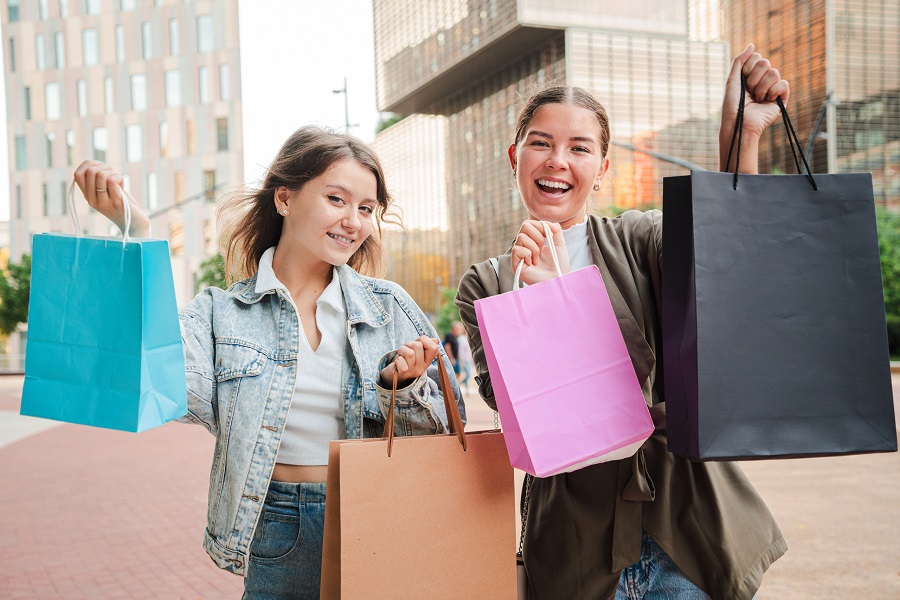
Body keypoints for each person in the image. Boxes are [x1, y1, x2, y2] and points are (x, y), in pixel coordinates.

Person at [74, 125, 464, 600]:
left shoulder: (388, 306)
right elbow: (160, 376)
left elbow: (451, 424)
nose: (353, 221)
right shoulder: (221, 312)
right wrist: (137, 234)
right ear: (285, 198)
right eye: (336, 199)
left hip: (376, 516)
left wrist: (398, 387)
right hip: (278, 524)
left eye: (366, 209)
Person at [456, 44, 787, 599]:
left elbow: (729, 258)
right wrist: (541, 298)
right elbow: (518, 414)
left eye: (579, 148)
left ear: (602, 169)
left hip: (685, 535)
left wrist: (741, 138)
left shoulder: (641, 239)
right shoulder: (487, 286)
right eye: (541, 143)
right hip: (576, 551)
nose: (558, 160)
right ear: (514, 156)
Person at [452, 321, 473, 390]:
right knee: (466, 374)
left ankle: (466, 387)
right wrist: (461, 360)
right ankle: (463, 384)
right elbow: (460, 351)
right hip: (463, 359)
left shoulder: (465, 338)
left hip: (468, 359)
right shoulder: (460, 338)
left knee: (469, 374)